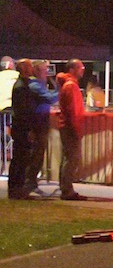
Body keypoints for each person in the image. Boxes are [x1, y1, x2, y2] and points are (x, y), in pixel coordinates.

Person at [9, 60, 59, 199]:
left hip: (24, 126)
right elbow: (23, 111)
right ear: (24, 68)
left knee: (23, 159)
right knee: (21, 159)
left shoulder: (25, 85)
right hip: (23, 127)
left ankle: (19, 190)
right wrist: (29, 128)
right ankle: (17, 190)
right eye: (29, 66)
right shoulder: (24, 86)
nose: (31, 69)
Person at [56, 59, 88, 200]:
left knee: (68, 158)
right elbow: (73, 111)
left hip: (67, 127)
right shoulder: (71, 86)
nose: (83, 69)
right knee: (71, 159)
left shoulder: (68, 85)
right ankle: (67, 190)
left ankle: (65, 188)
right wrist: (76, 129)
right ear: (72, 69)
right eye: (80, 67)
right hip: (70, 127)